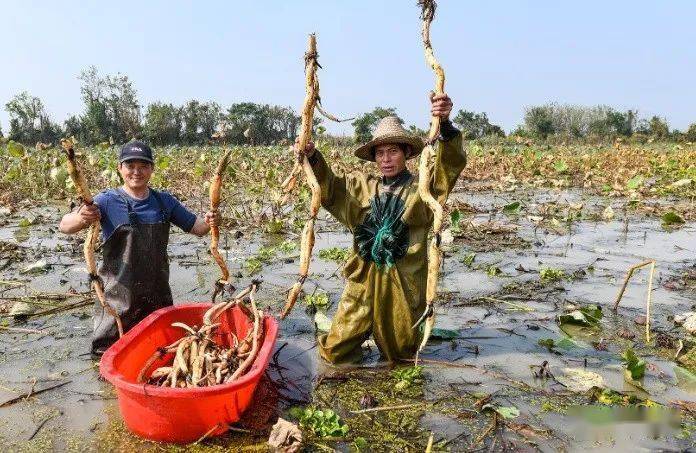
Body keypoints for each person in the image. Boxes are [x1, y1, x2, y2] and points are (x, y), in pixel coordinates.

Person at [296, 94, 466, 364]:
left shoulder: (421, 187)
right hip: (362, 279)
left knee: (402, 355)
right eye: (380, 153)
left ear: (406, 153)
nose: (386, 159)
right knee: (335, 352)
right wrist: (312, 156)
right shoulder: (361, 187)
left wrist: (445, 125)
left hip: (403, 282)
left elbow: (448, 167)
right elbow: (330, 188)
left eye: (393, 151)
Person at [59, 141, 218, 354]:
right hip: (117, 300)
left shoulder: (164, 202)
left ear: (152, 168)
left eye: (143, 166)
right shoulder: (106, 201)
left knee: (160, 353)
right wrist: (81, 217)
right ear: (120, 168)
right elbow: (65, 226)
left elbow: (199, 229)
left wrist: (212, 219)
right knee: (107, 355)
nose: (136, 172)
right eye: (130, 166)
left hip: (157, 297)